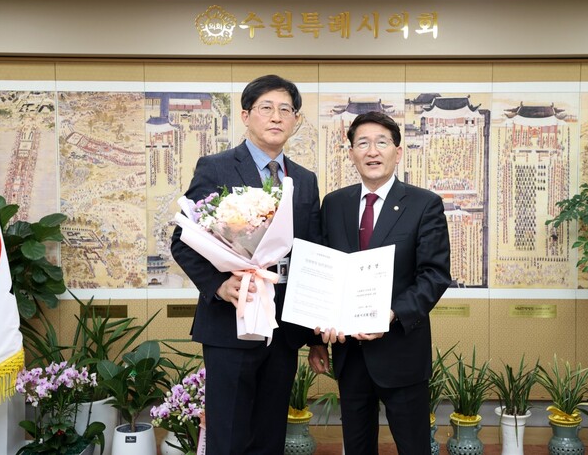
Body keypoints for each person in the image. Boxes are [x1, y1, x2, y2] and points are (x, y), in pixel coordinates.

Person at [171, 74, 321, 454]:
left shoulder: (305, 180)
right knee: (229, 436)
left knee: (270, 436)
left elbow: (312, 254)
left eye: (286, 109)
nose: (276, 117)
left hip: (284, 330)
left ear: (295, 119)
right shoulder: (216, 168)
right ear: (245, 115)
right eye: (266, 108)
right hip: (230, 324)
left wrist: (316, 337)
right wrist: (219, 285)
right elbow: (183, 240)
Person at [309, 111, 451, 455]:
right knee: (357, 447)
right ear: (351, 154)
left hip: (401, 350)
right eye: (363, 143)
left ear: (397, 152)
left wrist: (390, 314)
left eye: (381, 142)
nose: (372, 151)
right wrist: (317, 337)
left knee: (413, 447)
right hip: (349, 353)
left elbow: (434, 274)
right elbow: (322, 272)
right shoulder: (334, 204)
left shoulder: (424, 204)